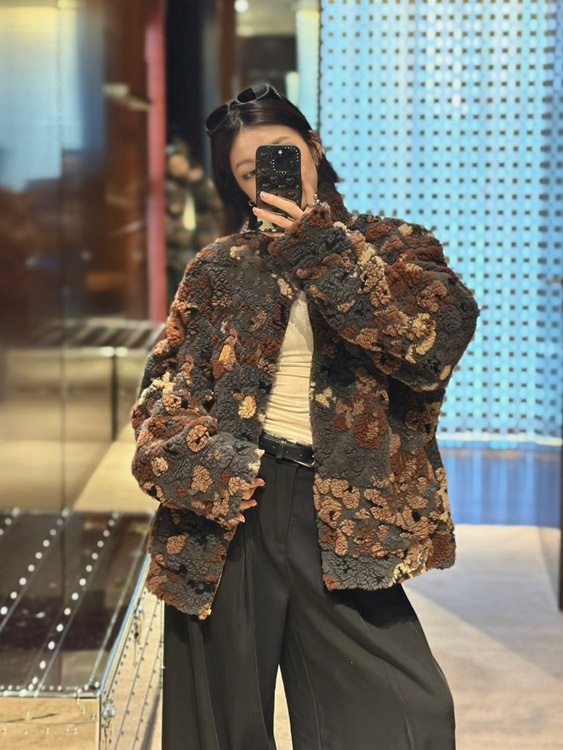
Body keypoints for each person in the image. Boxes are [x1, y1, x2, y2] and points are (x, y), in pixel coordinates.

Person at [131, 83, 479, 750]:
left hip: (346, 511)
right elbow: (161, 396)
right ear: (238, 186)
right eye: (248, 171)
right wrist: (207, 469)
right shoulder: (218, 269)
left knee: (407, 718)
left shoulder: (396, 248)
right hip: (235, 506)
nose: (268, 175)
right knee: (220, 726)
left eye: (282, 154)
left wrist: (319, 247)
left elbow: (428, 350)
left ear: (313, 149)